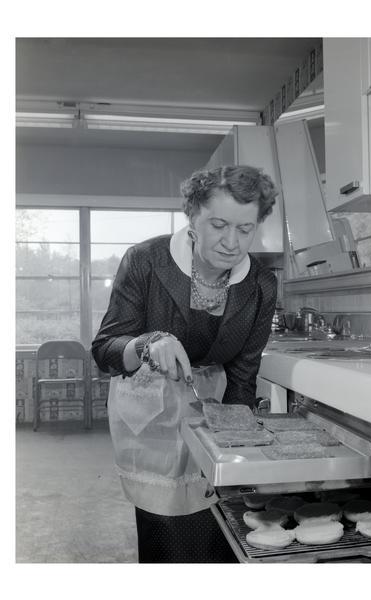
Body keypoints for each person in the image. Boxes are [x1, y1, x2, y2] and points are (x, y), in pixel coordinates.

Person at [92, 164, 278, 563]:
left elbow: (244, 373)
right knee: (168, 537)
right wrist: (147, 342)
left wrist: (233, 450)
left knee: (220, 531)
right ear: (192, 217)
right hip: (151, 414)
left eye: (245, 229)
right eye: (218, 225)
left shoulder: (260, 284)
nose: (231, 242)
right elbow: (105, 349)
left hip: (214, 413)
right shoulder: (145, 261)